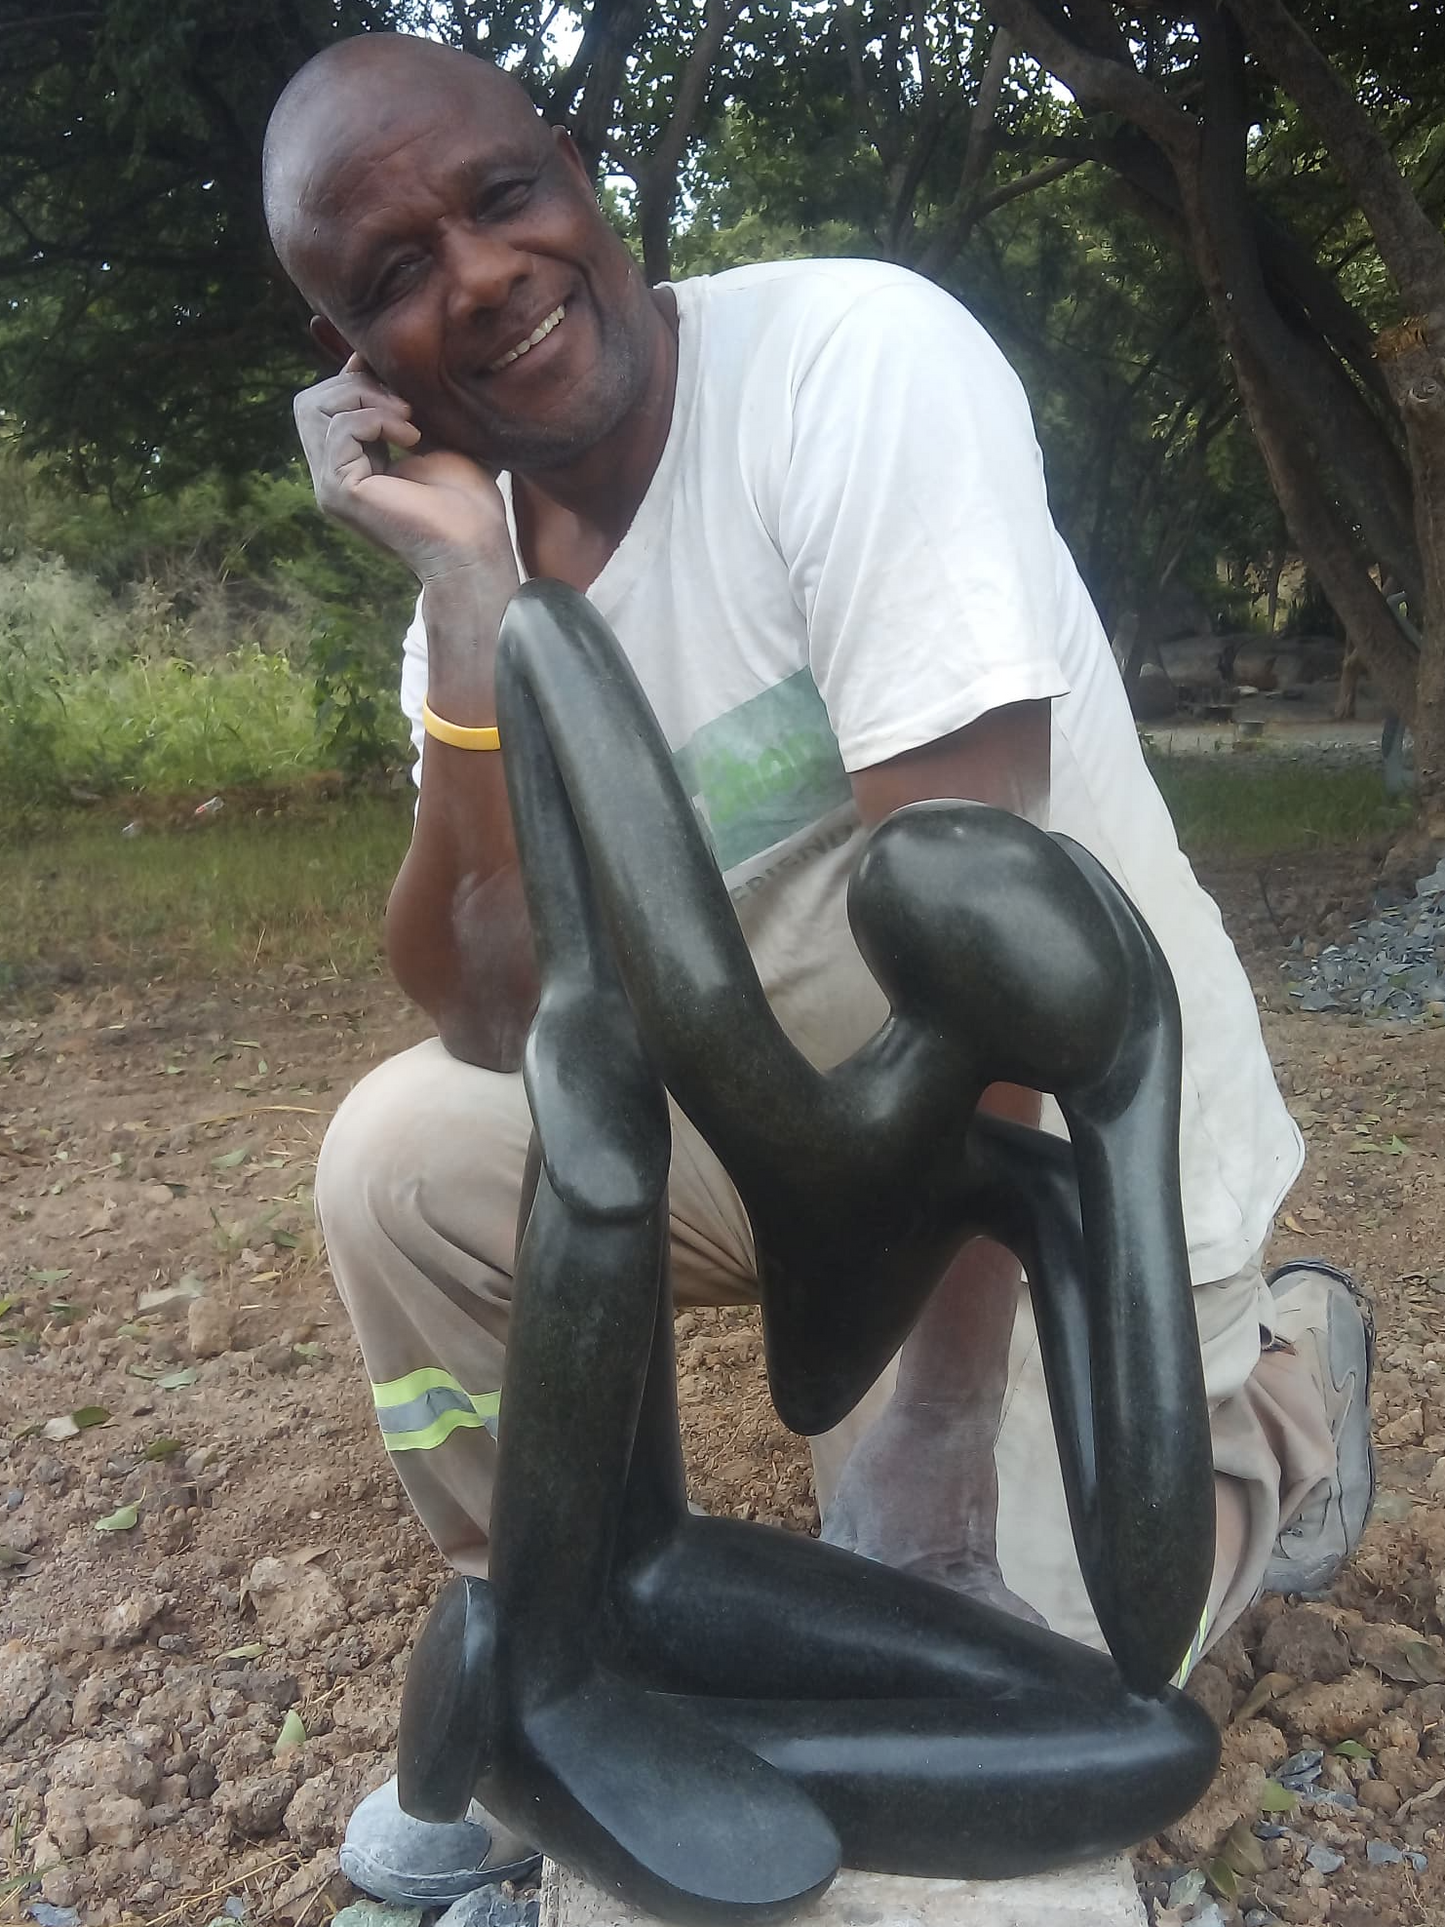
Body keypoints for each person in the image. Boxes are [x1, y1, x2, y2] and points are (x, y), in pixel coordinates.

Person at [261, 31, 1375, 1909]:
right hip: (785, 1142)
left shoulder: (857, 367)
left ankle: (1273, 1408)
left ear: (581, 169)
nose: (478, 278)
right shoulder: (489, 558)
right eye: (391, 279)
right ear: (359, 366)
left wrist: (924, 1447)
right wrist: (469, 610)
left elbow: (985, 970)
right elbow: (483, 1003)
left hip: (1059, 1187)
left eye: (502, 198)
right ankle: (539, 1625)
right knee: (399, 1161)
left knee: (947, 1851)